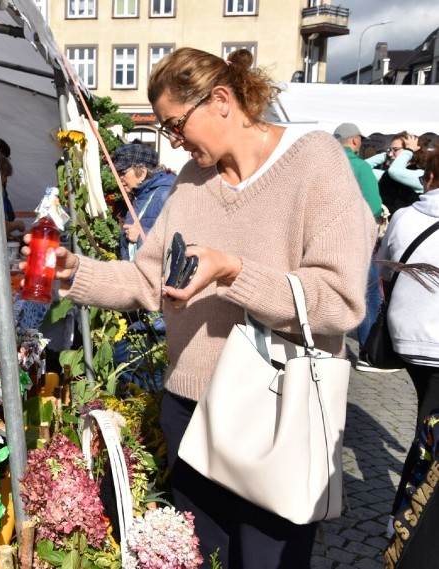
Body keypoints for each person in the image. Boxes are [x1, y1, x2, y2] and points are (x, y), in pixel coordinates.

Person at [23, 48, 374, 567]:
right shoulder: (192, 180)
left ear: (222, 100)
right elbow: (148, 280)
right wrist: (77, 273)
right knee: (200, 557)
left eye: (176, 125)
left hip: (274, 415)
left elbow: (340, 302)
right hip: (188, 411)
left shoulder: (316, 162)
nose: (173, 141)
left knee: (264, 559)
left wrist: (235, 272)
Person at [377, 151, 439, 534]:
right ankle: (405, 515)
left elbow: (385, 264)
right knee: (428, 428)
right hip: (434, 340)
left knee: (427, 421)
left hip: (406, 333)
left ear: (430, 177)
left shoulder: (404, 216)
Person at [111, 142, 175, 392]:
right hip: (141, 297)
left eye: (123, 172)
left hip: (157, 301)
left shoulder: (165, 193)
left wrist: (142, 235)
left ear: (141, 171)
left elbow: (178, 243)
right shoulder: (145, 194)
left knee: (150, 372)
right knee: (131, 364)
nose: (119, 179)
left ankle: (148, 423)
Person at [333, 123, 395, 373]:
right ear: (356, 141)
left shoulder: (325, 165)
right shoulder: (360, 167)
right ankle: (370, 353)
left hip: (329, 240)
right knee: (370, 294)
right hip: (357, 239)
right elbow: (373, 206)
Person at [367, 132, 424, 216]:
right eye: (390, 150)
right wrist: (386, 155)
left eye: (395, 149)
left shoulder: (420, 174)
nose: (390, 154)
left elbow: (395, 171)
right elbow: (362, 168)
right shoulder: (388, 174)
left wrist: (409, 150)